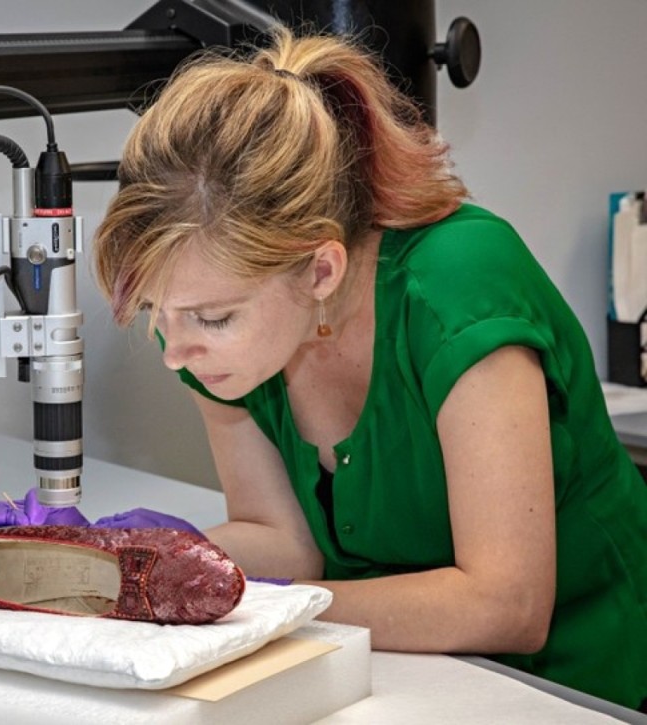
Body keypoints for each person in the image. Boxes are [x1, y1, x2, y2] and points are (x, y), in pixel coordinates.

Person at [91, 26, 647, 710]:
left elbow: (506, 602)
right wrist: (137, 561)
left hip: (587, 680)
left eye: (213, 318)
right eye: (154, 310)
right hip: (415, 677)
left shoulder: (457, 288)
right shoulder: (208, 338)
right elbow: (284, 541)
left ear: (320, 268)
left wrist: (256, 609)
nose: (175, 350)